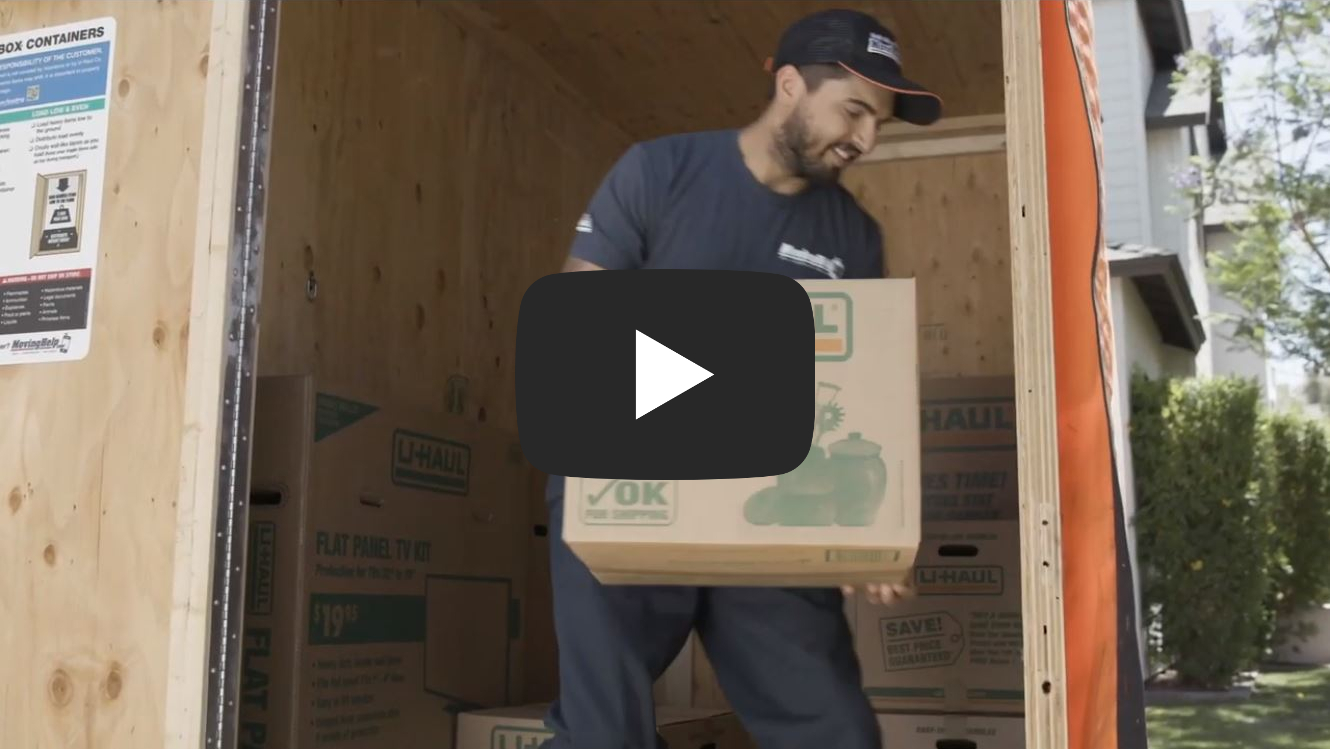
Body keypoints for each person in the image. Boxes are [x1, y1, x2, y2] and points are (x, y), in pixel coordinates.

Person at [540, 8, 942, 748]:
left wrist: (870, 534)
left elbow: (852, 397)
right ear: (790, 85)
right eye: (853, 110)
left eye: (879, 122)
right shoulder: (659, 172)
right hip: (636, 489)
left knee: (839, 734)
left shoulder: (854, 236)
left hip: (771, 506)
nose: (865, 138)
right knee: (604, 735)